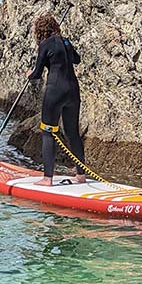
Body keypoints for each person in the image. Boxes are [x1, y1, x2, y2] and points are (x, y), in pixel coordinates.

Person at [27, 13, 86, 186]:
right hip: (73, 91)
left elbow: (37, 74)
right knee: (73, 133)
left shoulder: (44, 44)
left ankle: (47, 178)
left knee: (48, 133)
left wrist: (30, 74)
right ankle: (81, 175)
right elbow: (77, 59)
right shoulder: (66, 41)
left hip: (55, 92)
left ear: (39, 31)